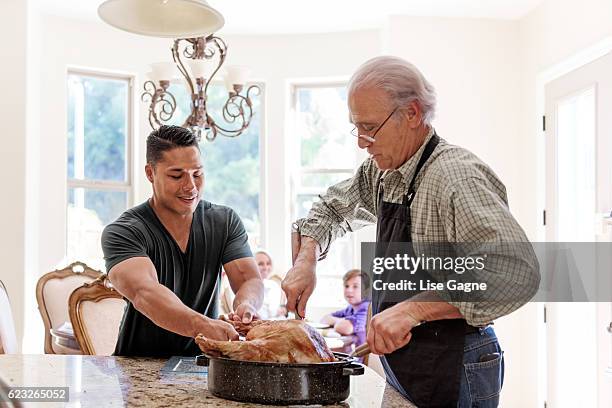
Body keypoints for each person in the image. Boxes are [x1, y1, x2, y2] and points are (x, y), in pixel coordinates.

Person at [282, 56, 539, 407]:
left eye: (370, 127)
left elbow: (513, 272)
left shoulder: (455, 177)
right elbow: (330, 208)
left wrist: (412, 311)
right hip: (409, 363)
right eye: (356, 127)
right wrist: (306, 259)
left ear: (413, 113)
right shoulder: (384, 173)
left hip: (457, 362)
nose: (361, 141)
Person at [102, 125, 263, 357]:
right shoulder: (123, 232)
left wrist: (247, 305)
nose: (190, 186)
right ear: (150, 173)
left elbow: (249, 278)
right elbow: (145, 293)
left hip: (206, 366)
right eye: (176, 176)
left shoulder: (224, 221)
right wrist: (204, 326)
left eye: (197, 174)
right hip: (139, 368)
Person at [321, 269, 370, 347]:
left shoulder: (367, 308)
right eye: (346, 286)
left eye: (355, 286)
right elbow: (324, 319)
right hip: (352, 355)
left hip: (360, 358)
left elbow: (345, 328)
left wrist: (341, 322)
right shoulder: (350, 309)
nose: (349, 290)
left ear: (366, 291)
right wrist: (342, 320)